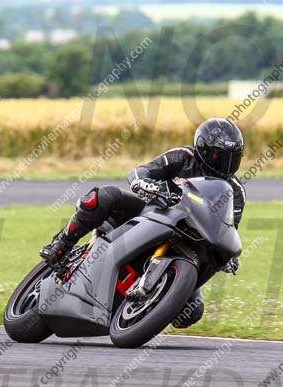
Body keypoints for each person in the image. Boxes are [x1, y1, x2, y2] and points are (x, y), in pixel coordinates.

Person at [40, 117, 247, 328]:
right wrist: (146, 184)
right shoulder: (183, 157)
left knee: (191, 312)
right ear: (203, 148)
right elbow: (143, 171)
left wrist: (227, 254)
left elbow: (228, 226)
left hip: (190, 241)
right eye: (219, 157)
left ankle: (148, 308)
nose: (225, 165)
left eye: (232, 158)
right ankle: (61, 245)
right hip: (151, 212)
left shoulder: (235, 191)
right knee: (104, 196)